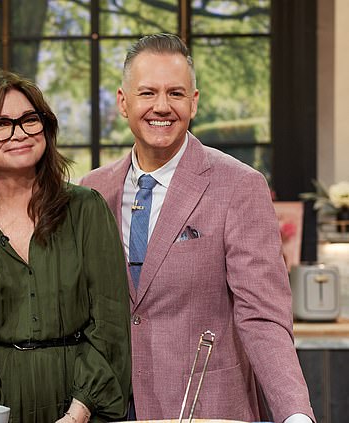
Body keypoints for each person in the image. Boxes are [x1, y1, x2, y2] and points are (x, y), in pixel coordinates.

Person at [80, 33, 315, 423]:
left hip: (209, 409)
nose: (161, 107)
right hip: (111, 410)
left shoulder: (239, 185)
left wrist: (295, 413)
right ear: (123, 102)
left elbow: (262, 316)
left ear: (194, 101)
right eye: (147, 93)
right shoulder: (92, 190)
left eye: (175, 93)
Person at [0, 70, 131, 423]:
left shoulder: (86, 209)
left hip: (83, 404)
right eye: (0, 124)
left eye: (28, 120)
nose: (19, 134)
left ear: (45, 126)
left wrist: (78, 413)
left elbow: (110, 324)